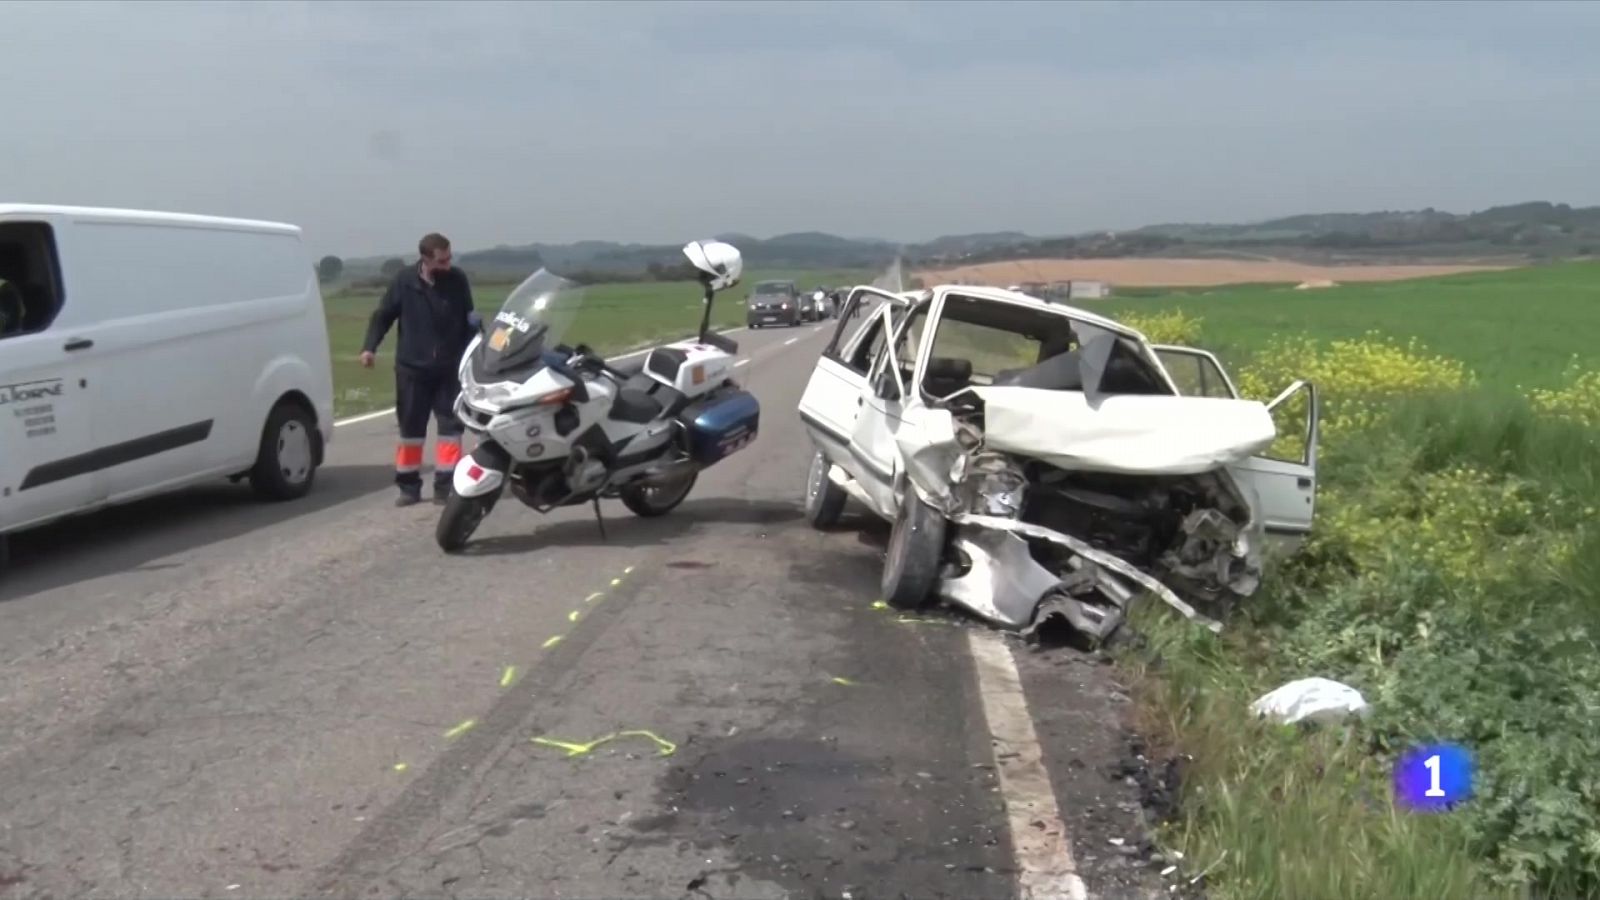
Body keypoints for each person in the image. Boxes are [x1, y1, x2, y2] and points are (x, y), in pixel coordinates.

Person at [360, 232, 477, 506]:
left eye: (450, 258)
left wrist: (475, 351)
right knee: (411, 430)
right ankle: (408, 486)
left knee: (451, 429)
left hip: (449, 369)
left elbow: (469, 319)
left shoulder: (457, 280)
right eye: (442, 260)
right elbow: (383, 316)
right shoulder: (405, 281)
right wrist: (369, 348)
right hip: (412, 369)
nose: (448, 264)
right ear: (425, 259)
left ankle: (445, 486)